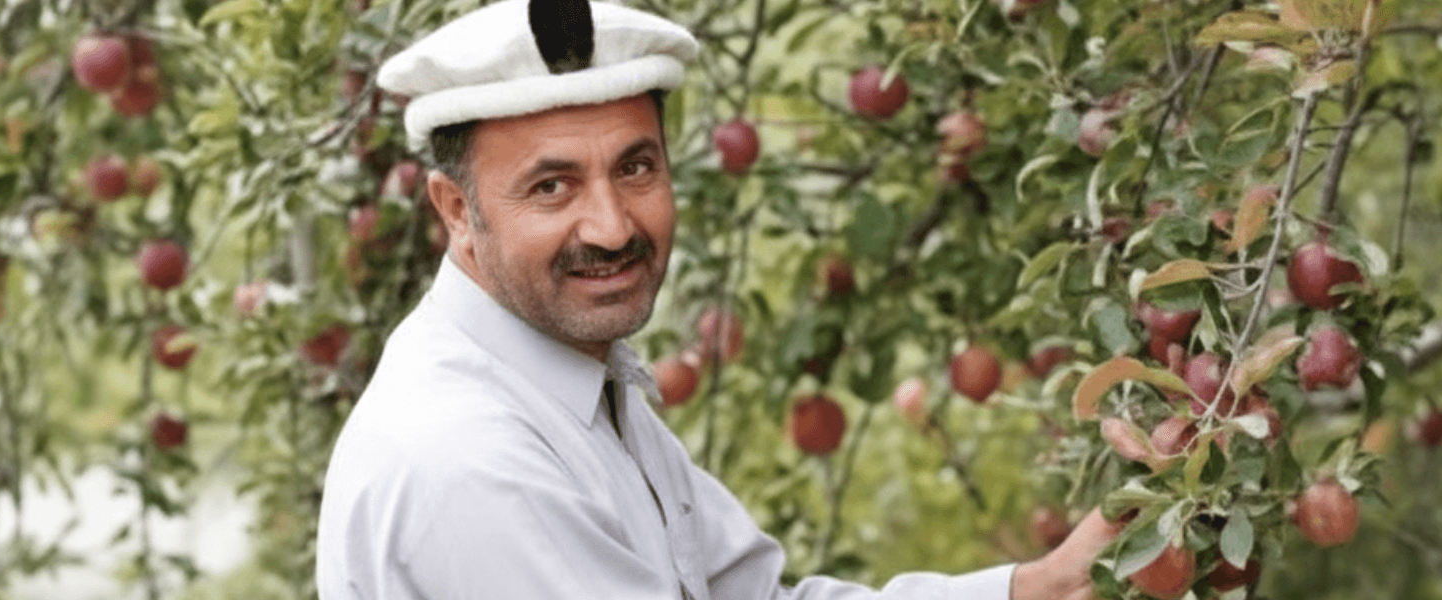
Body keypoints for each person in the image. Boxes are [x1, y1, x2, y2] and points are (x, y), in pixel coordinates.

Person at [314, 1, 1122, 598]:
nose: (610, 225)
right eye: (551, 185)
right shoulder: (471, 459)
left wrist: (1037, 588)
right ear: (457, 211)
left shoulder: (568, 386)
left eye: (635, 168)